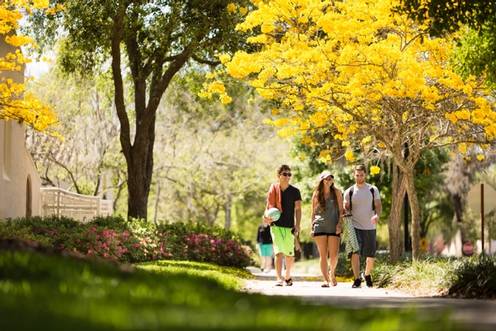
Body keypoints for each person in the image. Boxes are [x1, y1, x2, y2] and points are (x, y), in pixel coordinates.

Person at [343, 164, 382, 288]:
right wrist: (346, 207)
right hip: (354, 225)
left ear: (365, 175)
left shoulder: (372, 189)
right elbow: (346, 206)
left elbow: (378, 205)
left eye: (361, 175)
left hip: (370, 226)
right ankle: (357, 279)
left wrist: (377, 215)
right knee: (355, 252)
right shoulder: (349, 191)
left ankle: (367, 274)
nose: (359, 177)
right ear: (354, 175)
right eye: (357, 175)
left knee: (370, 256)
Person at [263, 164, 302, 286]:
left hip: (289, 226)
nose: (287, 176)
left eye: (289, 174)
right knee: (278, 253)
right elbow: (268, 207)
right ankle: (279, 278)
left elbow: (298, 209)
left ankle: (288, 275)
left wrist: (298, 225)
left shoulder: (295, 191)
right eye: (285, 174)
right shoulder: (273, 189)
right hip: (276, 226)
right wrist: (266, 217)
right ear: (279, 176)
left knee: (289, 255)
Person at [311, 170, 344, 287]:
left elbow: (341, 210)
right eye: (327, 178)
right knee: (323, 255)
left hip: (334, 226)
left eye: (331, 178)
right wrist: (312, 226)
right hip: (319, 226)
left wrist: (340, 224)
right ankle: (325, 280)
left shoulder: (337, 192)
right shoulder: (316, 194)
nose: (329, 180)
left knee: (334, 255)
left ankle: (332, 273)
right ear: (322, 180)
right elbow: (313, 212)